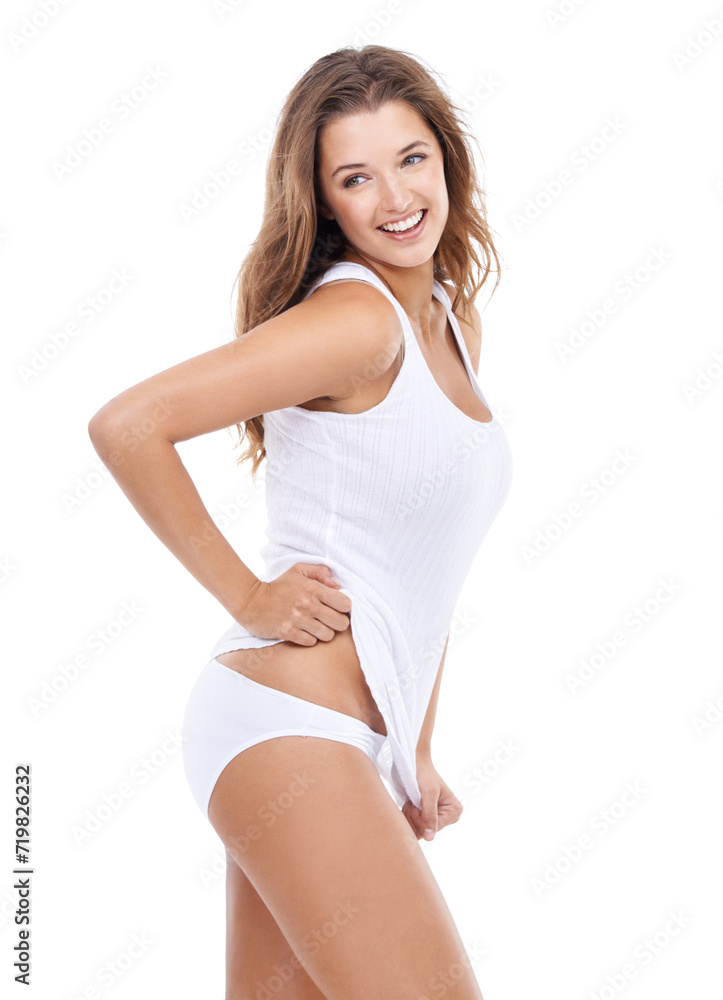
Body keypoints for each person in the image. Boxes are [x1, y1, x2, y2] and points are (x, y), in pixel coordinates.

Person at [88, 43, 512, 1000]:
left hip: (337, 739)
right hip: (289, 725)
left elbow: (421, 562)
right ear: (324, 203)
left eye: (410, 159)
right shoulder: (356, 324)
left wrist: (415, 747)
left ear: (446, 159)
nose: (395, 198)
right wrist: (248, 596)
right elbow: (128, 426)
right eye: (355, 178)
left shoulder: (448, 321)